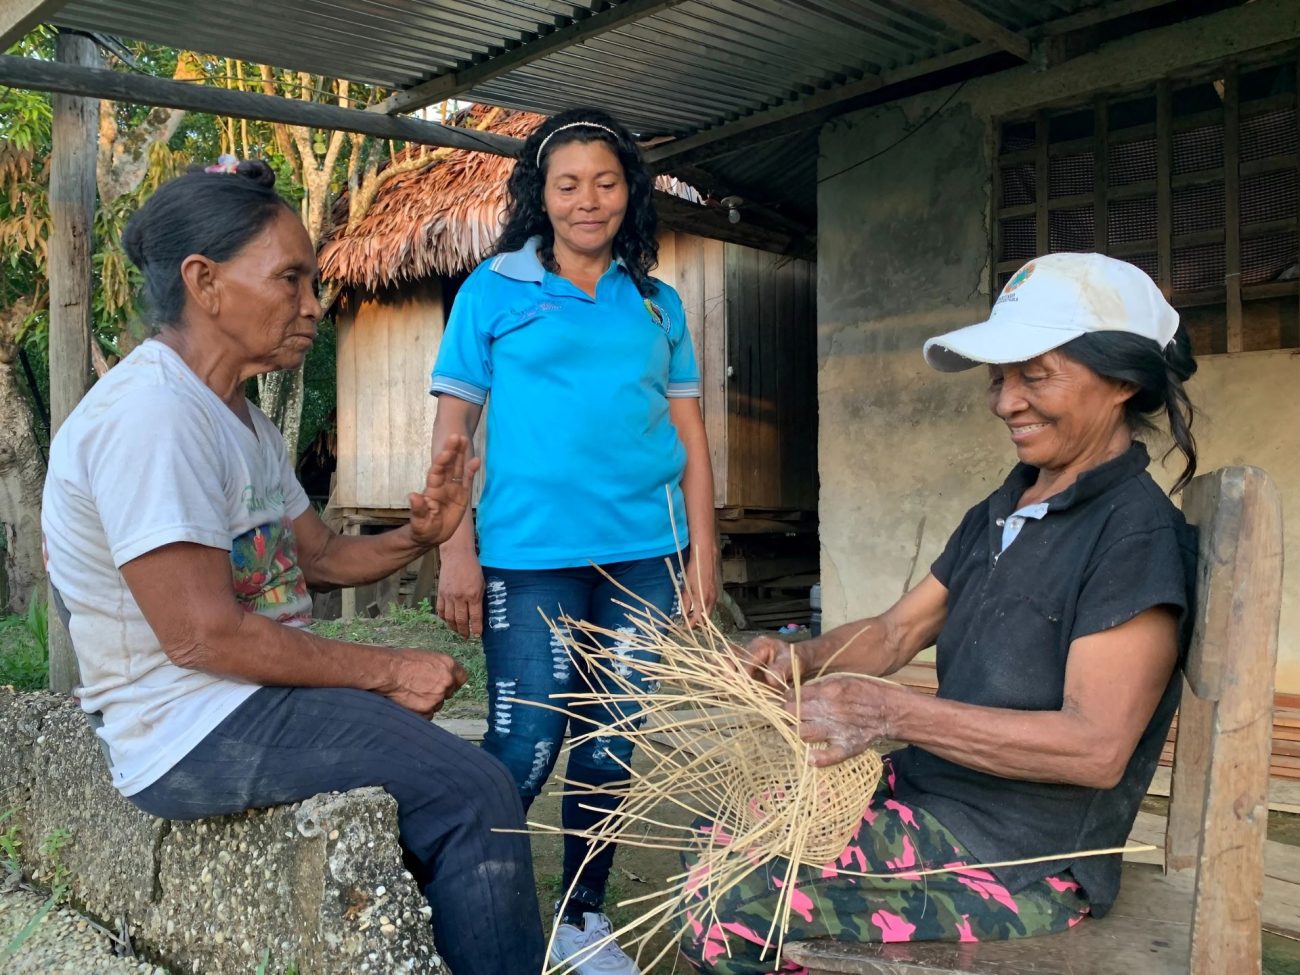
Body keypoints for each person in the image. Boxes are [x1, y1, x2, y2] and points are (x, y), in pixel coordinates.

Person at [40, 160, 544, 975]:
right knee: (477, 791)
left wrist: (421, 534)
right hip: (189, 728)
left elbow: (319, 558)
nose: (313, 304)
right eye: (291, 279)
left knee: (440, 783)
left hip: (247, 700)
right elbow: (203, 636)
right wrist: (387, 670)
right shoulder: (153, 417)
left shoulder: (237, 417)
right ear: (204, 281)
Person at [677, 253, 1200, 974]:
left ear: (1123, 381)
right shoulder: (1009, 506)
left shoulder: (1134, 536)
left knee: (729, 899)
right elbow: (898, 630)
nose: (1006, 403)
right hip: (935, 795)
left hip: (1020, 858)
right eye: (999, 379)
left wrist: (890, 713)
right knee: (720, 830)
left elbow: (1095, 747)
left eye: (1034, 375)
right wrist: (797, 657)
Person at [429, 107, 718, 974]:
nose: (588, 200)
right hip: (528, 558)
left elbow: (691, 437)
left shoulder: (658, 305)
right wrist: (454, 549)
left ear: (629, 192)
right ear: (541, 195)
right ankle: (452, 899)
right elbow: (453, 434)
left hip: (645, 556)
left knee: (611, 741)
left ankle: (581, 918)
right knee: (524, 745)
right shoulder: (492, 289)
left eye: (605, 182)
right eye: (568, 185)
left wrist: (704, 553)